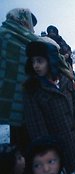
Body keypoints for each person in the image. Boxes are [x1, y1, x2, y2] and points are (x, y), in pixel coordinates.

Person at [23, 41, 75, 173]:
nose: (36, 66)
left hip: (74, 137)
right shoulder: (33, 89)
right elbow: (36, 123)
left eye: (40, 61)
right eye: (33, 62)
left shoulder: (65, 79)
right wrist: (46, 150)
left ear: (50, 60)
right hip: (55, 144)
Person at [0, 8, 39, 152]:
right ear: (23, 21)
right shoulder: (5, 37)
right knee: (9, 156)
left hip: (25, 109)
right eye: (30, 24)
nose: (32, 29)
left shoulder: (28, 42)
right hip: (6, 111)